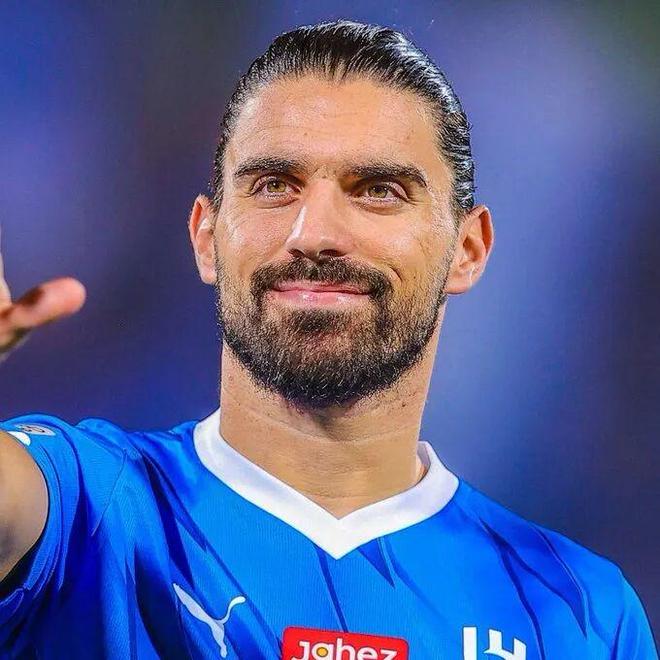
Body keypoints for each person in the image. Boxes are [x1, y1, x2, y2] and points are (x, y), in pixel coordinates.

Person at [0, 19, 655, 660]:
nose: (314, 233)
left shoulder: (581, 615)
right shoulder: (91, 508)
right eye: (274, 186)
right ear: (206, 237)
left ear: (468, 248)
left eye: (378, 191)